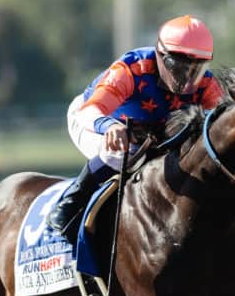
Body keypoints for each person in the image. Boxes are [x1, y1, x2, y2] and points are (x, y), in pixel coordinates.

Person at [46, 14, 225, 239]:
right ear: (160, 55)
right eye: (178, 68)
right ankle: (71, 203)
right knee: (123, 152)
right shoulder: (131, 70)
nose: (186, 79)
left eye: (195, 69)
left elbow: (220, 127)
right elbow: (89, 111)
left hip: (148, 131)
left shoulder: (207, 84)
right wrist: (109, 126)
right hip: (95, 120)